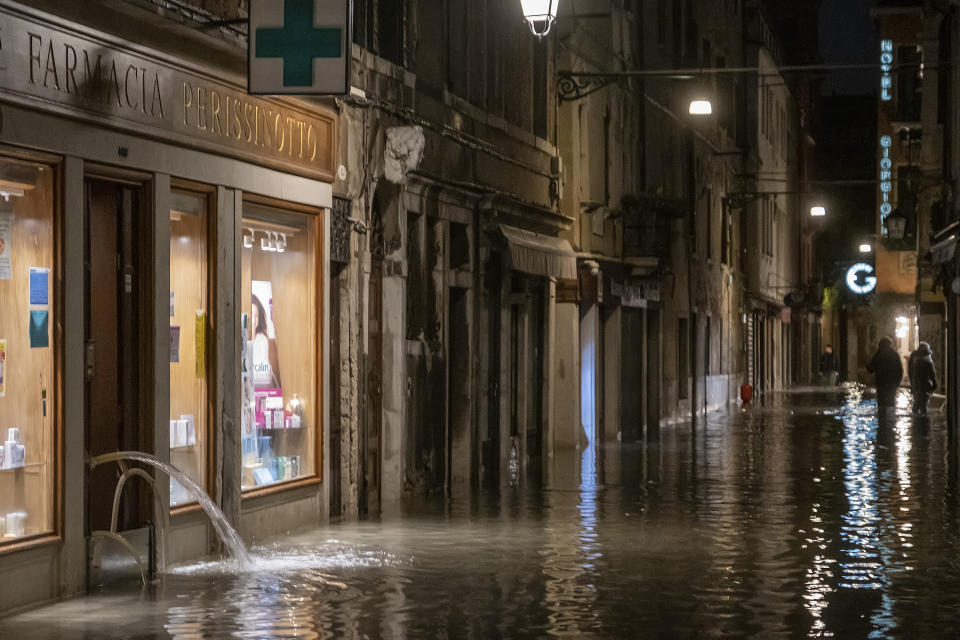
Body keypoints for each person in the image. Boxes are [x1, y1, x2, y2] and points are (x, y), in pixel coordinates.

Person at [867, 337, 903, 409]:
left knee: (885, 404)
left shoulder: (879, 355)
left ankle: (885, 418)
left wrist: (897, 382)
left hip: (885, 383)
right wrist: (897, 382)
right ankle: (888, 418)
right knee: (887, 404)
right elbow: (900, 370)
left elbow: (871, 369)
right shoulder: (893, 355)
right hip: (886, 383)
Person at [908, 342, 938, 415]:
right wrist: (934, 385)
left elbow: (910, 372)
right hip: (925, 386)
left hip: (916, 386)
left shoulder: (915, 360)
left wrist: (912, 384)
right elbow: (932, 375)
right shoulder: (928, 362)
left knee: (917, 404)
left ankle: (916, 422)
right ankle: (923, 423)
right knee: (923, 406)